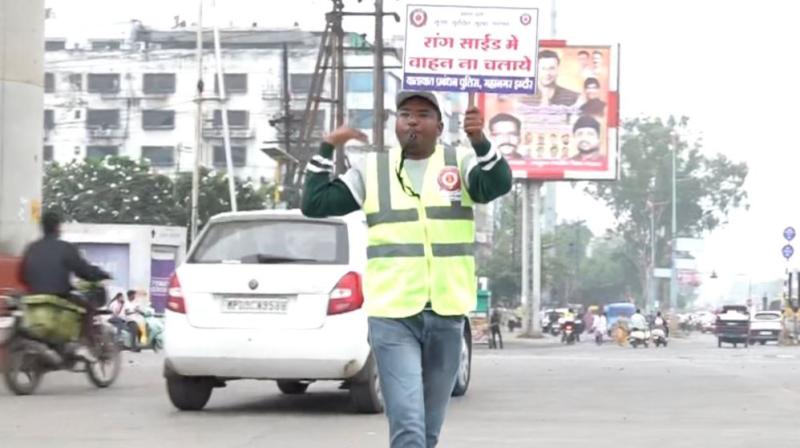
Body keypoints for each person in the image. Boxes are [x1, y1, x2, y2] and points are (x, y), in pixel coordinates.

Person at [301, 90, 512, 448]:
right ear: (396, 124)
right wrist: (326, 148)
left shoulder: (459, 163)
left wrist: (480, 142)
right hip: (393, 316)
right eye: (405, 114)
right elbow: (315, 203)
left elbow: (497, 184)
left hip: (447, 312)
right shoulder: (373, 170)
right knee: (409, 425)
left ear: (440, 127)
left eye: (423, 114)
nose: (413, 120)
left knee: (428, 431)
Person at [19, 210, 110, 360]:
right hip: (59, 296)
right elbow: (83, 270)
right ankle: (82, 344)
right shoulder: (65, 248)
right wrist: (100, 274)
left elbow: (22, 276)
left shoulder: (31, 248)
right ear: (57, 227)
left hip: (33, 297)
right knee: (88, 307)